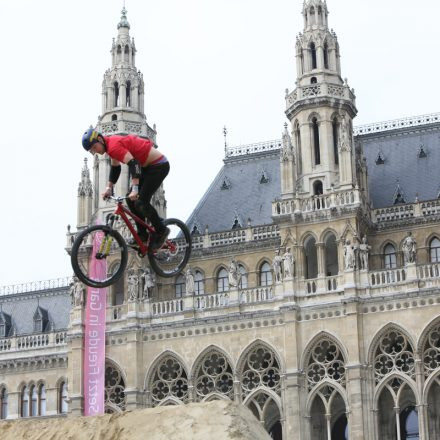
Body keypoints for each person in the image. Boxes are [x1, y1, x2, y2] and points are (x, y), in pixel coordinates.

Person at [82, 127, 170, 249]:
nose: (95, 151)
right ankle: (142, 235)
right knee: (130, 200)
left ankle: (162, 231)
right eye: (92, 151)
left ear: (100, 139)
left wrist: (135, 189)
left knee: (140, 202)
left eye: (94, 147)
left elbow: (134, 164)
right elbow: (115, 168)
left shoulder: (113, 146)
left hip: (158, 166)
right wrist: (109, 187)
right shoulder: (110, 147)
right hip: (147, 168)